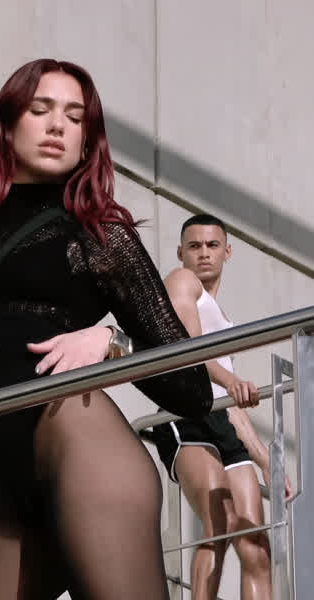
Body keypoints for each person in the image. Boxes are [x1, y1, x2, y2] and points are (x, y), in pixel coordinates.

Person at [0, 58, 213, 600]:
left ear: (87, 142)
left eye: (74, 116)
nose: (57, 125)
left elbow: (193, 389)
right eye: (40, 109)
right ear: (6, 123)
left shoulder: (98, 235)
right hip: (2, 506)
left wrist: (111, 342)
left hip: (84, 454)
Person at [152, 214, 292, 600]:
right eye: (194, 246)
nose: (204, 254)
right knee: (220, 522)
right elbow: (188, 349)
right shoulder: (182, 281)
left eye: (212, 246)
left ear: (227, 252)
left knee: (255, 546)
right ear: (180, 252)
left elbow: (231, 405)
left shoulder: (224, 318)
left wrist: (265, 460)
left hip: (222, 418)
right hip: (188, 412)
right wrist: (230, 380)